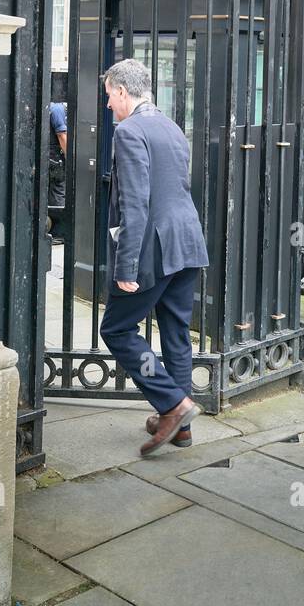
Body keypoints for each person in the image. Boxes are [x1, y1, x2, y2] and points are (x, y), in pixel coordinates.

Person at [99, 58, 208, 456]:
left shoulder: (129, 131)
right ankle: (180, 429)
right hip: (188, 244)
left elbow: (135, 204)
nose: (109, 104)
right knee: (177, 333)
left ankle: (173, 405)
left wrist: (126, 266)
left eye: (110, 95)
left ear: (124, 92)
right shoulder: (172, 127)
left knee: (116, 330)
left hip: (154, 251)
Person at [48, 99, 67, 207]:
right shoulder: (58, 109)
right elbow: (62, 135)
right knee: (58, 192)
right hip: (55, 159)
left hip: (51, 157)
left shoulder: (53, 109)